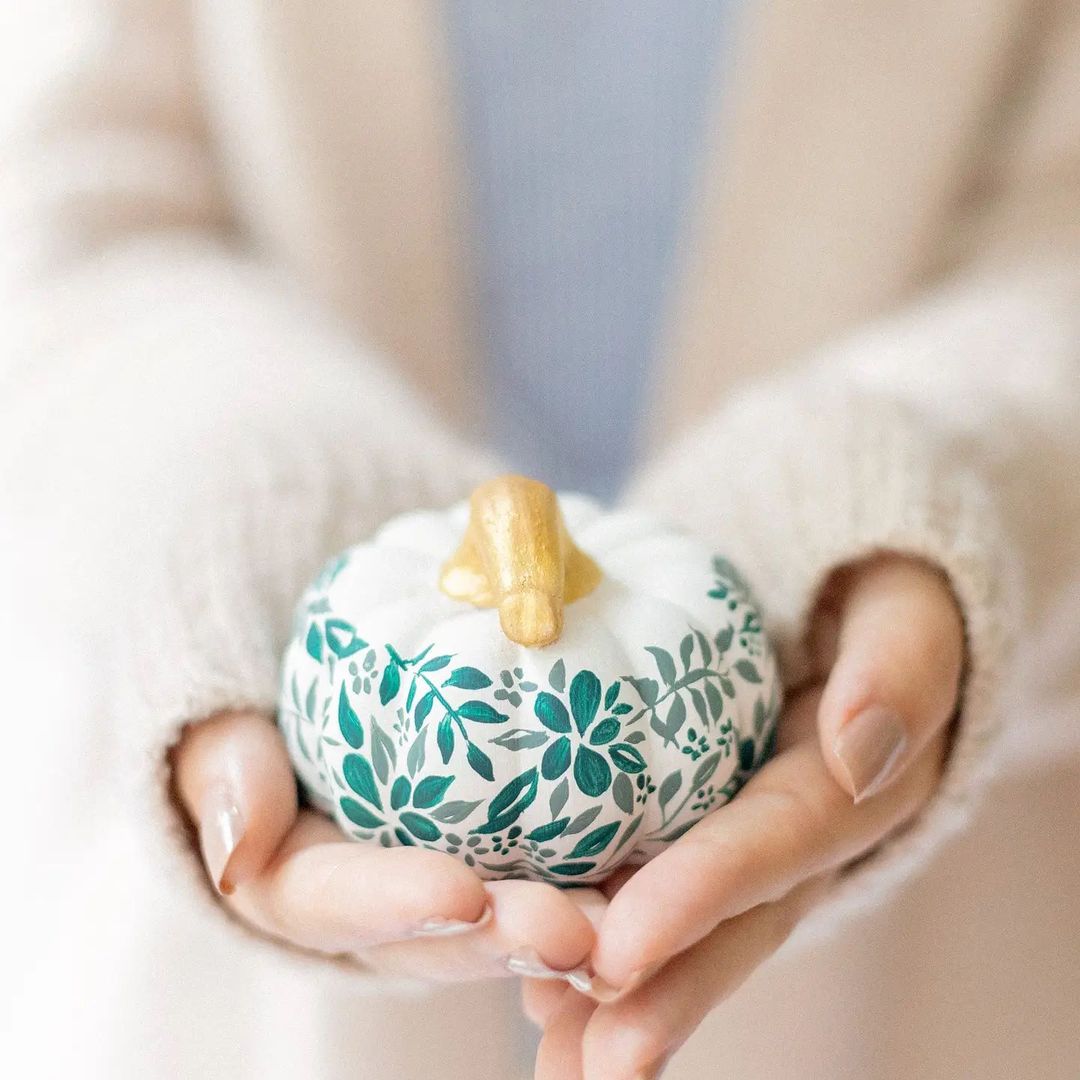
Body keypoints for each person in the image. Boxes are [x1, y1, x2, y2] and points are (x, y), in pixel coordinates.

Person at [1, 3, 1078, 1079]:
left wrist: (919, 465)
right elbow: (77, 214)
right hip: (235, 1013)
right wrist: (242, 475)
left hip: (955, 960)